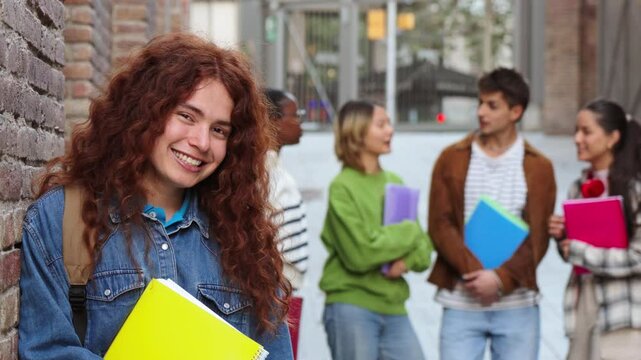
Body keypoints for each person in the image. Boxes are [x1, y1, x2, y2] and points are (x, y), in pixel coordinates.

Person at [18, 33, 293, 359]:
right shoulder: (64, 219)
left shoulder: (244, 237)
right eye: (186, 116)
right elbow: (47, 352)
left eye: (219, 130)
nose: (202, 142)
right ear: (144, 112)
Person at [427, 67, 556, 360]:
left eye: (492, 105)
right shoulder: (451, 158)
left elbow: (538, 238)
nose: (481, 111)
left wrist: (499, 280)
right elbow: (440, 224)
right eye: (480, 102)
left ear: (516, 111)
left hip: (518, 306)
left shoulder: (540, 167)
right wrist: (477, 275)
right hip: (461, 303)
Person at [319, 100, 432, 360]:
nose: (390, 130)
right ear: (357, 131)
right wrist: (409, 232)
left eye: (389, 124)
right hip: (351, 304)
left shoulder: (395, 182)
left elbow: (424, 252)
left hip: (394, 306)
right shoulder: (342, 187)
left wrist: (405, 262)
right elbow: (360, 254)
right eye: (381, 124)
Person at [548, 99, 641, 360]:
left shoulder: (635, 191)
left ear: (612, 138)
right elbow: (575, 257)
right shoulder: (578, 187)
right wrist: (562, 238)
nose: (577, 139)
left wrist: (577, 249)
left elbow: (637, 257)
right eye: (576, 131)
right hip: (583, 308)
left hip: (625, 315)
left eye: (586, 132)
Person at [263, 88, 309, 359]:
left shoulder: (274, 167)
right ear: (272, 121)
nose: (299, 122)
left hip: (287, 291)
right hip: (277, 293)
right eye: (295, 115)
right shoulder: (262, 171)